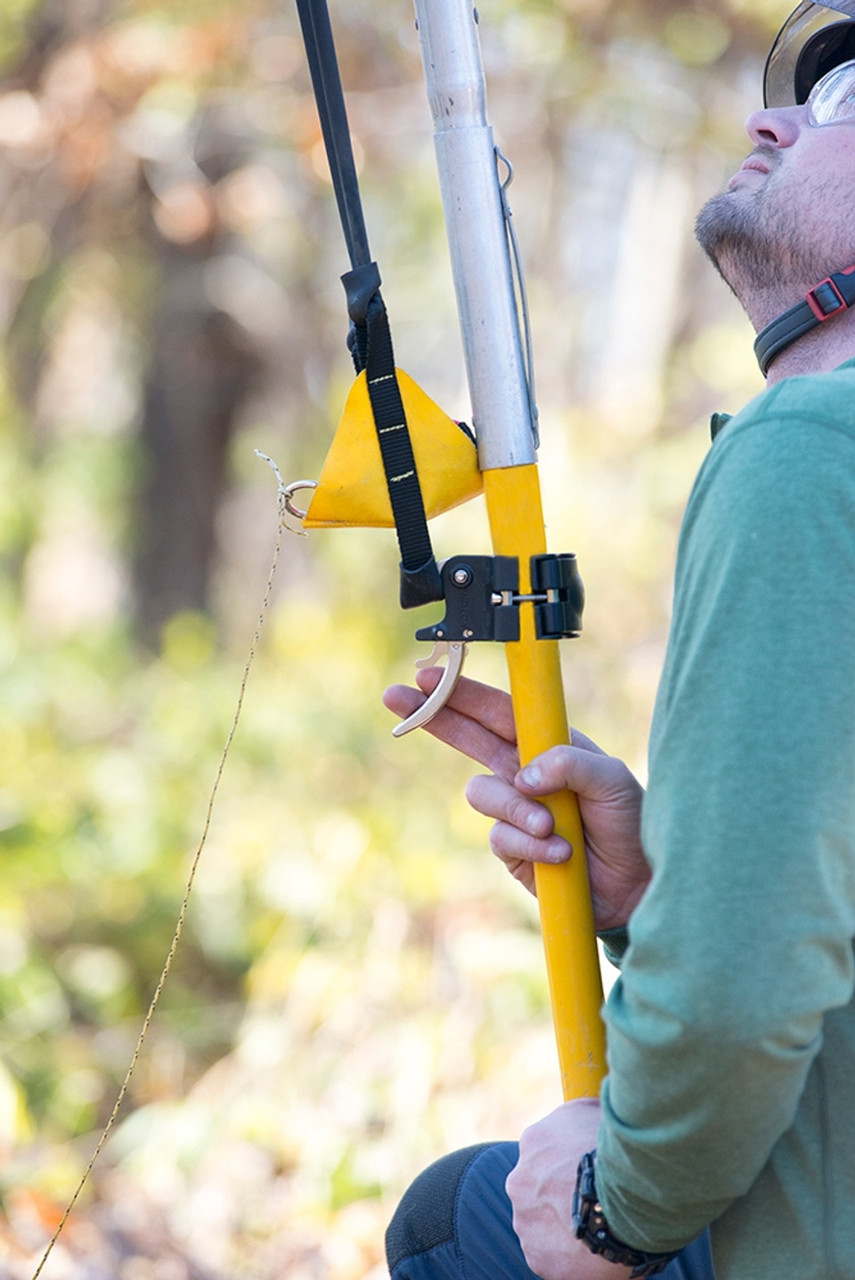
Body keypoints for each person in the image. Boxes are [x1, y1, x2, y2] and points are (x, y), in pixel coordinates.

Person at [382, 3, 855, 1278]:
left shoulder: (814, 451)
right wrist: (663, 894)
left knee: (455, 1228)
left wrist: (616, 1209)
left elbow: (751, 997)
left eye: (847, 97)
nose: (773, 120)